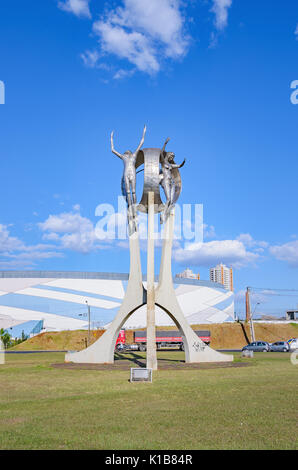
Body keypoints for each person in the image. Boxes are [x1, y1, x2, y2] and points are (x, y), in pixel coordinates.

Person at [111, 125, 146, 230]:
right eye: (125, 152)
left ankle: (134, 206)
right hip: (126, 173)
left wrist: (144, 132)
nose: (126, 152)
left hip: (132, 173)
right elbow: (113, 150)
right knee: (128, 192)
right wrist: (111, 139)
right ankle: (130, 206)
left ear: (130, 153)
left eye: (127, 151)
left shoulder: (134, 155)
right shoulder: (123, 157)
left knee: (133, 191)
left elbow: (141, 143)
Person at [159, 137, 185, 224]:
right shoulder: (163, 162)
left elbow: (179, 166)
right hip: (165, 181)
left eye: (173, 157)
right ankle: (163, 215)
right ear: (168, 155)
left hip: (171, 182)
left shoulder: (170, 165)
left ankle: (165, 214)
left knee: (171, 201)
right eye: (171, 156)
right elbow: (162, 152)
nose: (172, 158)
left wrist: (183, 162)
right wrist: (165, 143)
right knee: (168, 199)